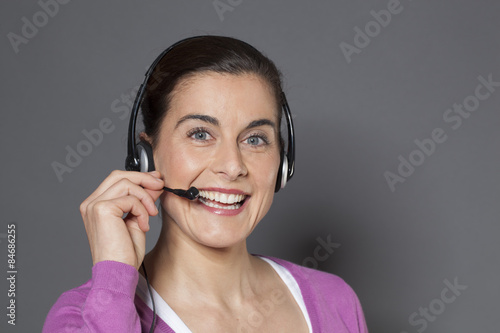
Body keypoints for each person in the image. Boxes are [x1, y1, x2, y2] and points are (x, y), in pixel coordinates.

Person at [43, 35, 368, 332]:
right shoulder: (79, 318)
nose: (232, 166)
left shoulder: (334, 301)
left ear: (283, 164)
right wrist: (114, 281)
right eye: (200, 134)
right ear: (147, 157)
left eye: (255, 139)